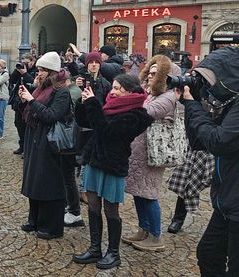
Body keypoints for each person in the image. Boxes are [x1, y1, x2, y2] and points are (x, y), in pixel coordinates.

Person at [72, 74, 153, 269]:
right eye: (113, 88)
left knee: (111, 210)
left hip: (113, 165)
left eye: (118, 88)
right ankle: (94, 249)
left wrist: (93, 104)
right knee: (92, 206)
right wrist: (83, 103)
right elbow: (88, 122)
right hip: (95, 160)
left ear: (130, 91)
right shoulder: (110, 105)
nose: (113, 91)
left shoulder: (137, 115)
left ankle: (113, 253)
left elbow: (107, 131)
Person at [176, 47, 239, 276]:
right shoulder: (231, 101)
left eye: (211, 79)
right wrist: (195, 102)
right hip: (227, 202)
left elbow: (218, 141)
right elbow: (199, 141)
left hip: (235, 204)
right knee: (208, 254)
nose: (209, 86)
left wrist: (193, 105)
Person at [122, 55, 179, 252]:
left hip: (153, 154)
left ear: (166, 77)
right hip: (140, 150)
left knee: (149, 194)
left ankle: (156, 237)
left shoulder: (168, 96)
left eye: (155, 74)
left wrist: (133, 99)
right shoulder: (152, 93)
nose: (150, 77)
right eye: (149, 73)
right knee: (139, 192)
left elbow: (147, 111)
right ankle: (143, 230)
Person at [17, 52, 71, 240]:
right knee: (35, 180)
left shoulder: (61, 91)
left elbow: (51, 115)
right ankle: (35, 220)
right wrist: (24, 100)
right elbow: (29, 113)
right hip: (35, 138)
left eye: (42, 70)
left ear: (52, 72)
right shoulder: (40, 88)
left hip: (50, 142)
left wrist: (31, 101)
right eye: (38, 69)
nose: (38, 73)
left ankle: (51, 226)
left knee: (48, 182)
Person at [69, 52, 111, 218]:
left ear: (100, 64)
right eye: (91, 62)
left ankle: (83, 189)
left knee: (88, 159)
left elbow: (106, 104)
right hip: (81, 124)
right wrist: (78, 88)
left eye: (96, 62)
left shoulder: (105, 83)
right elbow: (74, 103)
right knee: (76, 159)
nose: (93, 65)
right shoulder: (80, 80)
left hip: (96, 125)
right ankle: (74, 190)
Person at [165, 147, 214, 234]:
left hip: (215, 152)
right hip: (196, 149)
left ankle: (219, 228)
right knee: (187, 186)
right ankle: (178, 220)